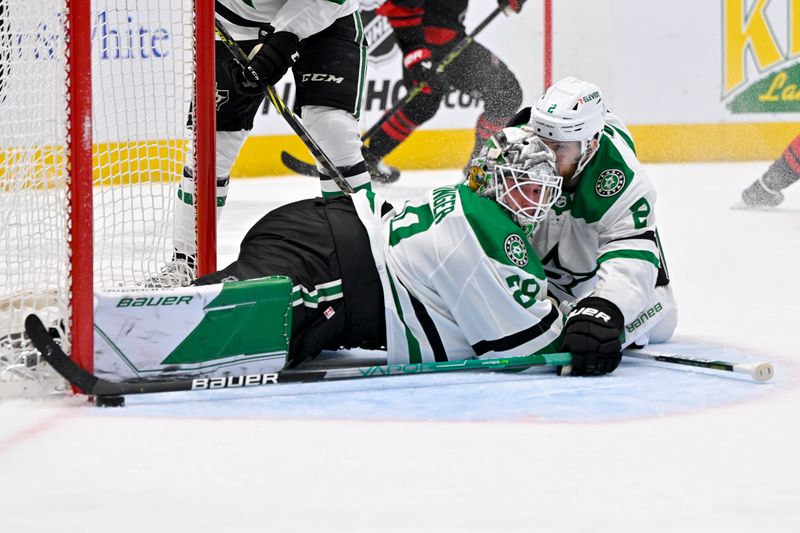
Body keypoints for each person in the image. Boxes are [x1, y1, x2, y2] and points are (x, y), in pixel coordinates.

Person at [194, 128, 566, 369]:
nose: (536, 202)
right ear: (492, 180)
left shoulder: (466, 200)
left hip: (321, 236)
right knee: (214, 323)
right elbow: (527, 349)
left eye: (543, 190)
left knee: (243, 331)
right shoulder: (490, 231)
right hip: (330, 272)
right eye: (526, 186)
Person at [158, 0, 371, 286]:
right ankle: (185, 263)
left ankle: (365, 259)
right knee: (212, 145)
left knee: (330, 127)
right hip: (236, 21)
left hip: (325, 17)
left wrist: (284, 39)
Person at [502, 76, 678, 376]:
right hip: (541, 271)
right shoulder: (514, 152)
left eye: (559, 149)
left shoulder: (623, 181)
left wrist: (606, 308)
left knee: (661, 321)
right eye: (542, 144)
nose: (546, 158)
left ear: (591, 145)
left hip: (589, 271)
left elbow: (630, 253)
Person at [362, 0, 527, 183]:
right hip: (436, 41)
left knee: (423, 103)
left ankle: (371, 155)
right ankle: (479, 166)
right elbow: (402, 5)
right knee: (505, 93)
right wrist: (416, 54)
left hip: (441, 37)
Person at [739, 134, 800, 207]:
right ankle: (753, 196)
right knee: (774, 180)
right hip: (793, 160)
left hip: (792, 157)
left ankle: (754, 195)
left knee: (775, 178)